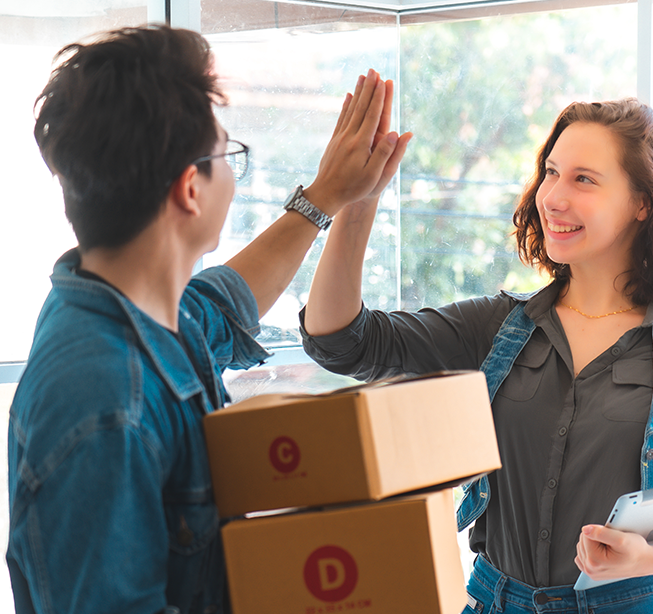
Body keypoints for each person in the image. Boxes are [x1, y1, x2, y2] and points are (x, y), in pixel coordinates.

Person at [301, 98, 653, 613]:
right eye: (551, 172)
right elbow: (343, 341)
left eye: (584, 180)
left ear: (643, 201)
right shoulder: (499, 326)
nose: (553, 197)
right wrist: (357, 202)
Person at [6, 24, 410, 614]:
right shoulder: (104, 399)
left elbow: (225, 302)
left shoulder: (124, 311)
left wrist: (329, 195)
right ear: (189, 188)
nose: (233, 174)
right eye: (229, 156)